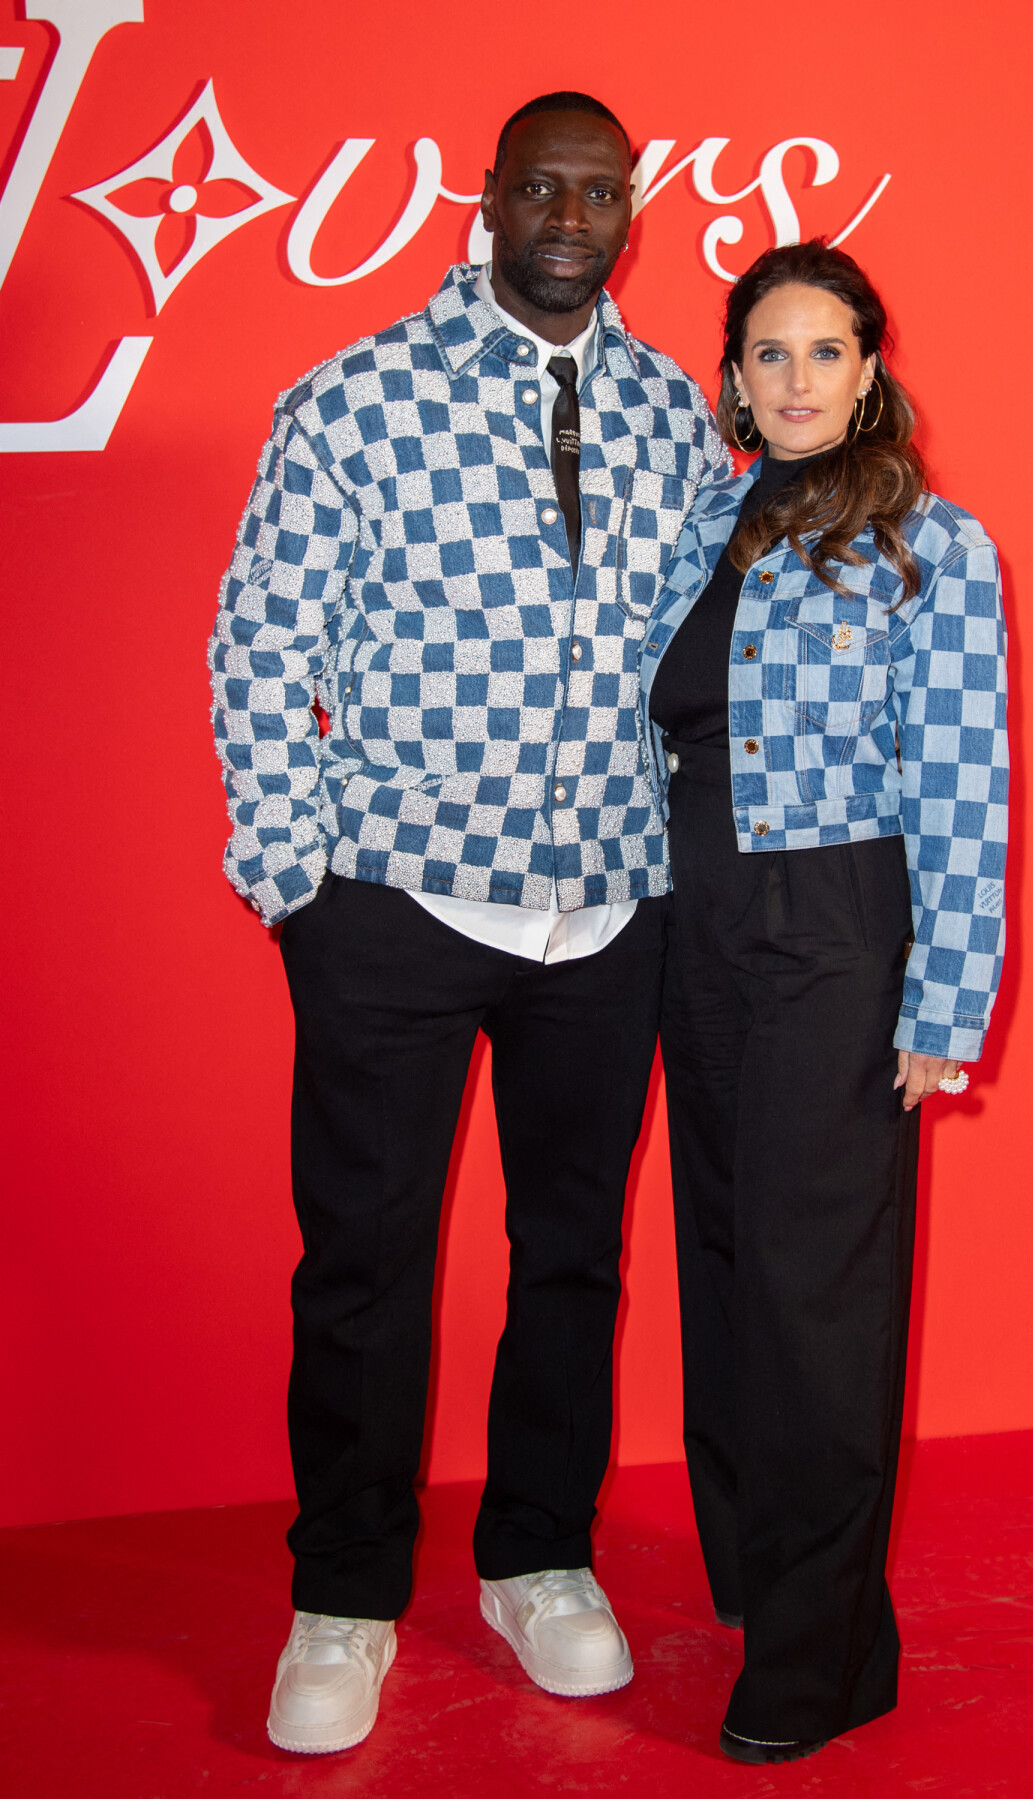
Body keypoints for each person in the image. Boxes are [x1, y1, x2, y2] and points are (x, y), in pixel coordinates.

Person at [209, 90, 727, 1755]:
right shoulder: (353, 401)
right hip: (399, 908)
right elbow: (260, 643)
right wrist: (298, 882)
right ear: (488, 197)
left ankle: (538, 1557)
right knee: (365, 1264)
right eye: (544, 186)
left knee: (571, 1253)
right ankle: (343, 1594)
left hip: (608, 915)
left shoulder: (666, 412)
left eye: (603, 191)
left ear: (630, 213)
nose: (572, 215)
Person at [639, 241, 1007, 1764]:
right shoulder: (700, 529)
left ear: (872, 372)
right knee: (722, 1257)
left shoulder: (935, 541)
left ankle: (826, 1655)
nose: (795, 379)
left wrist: (946, 999)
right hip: (694, 917)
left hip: (842, 924)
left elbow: (964, 779)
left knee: (815, 1295)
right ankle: (754, 1575)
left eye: (825, 351)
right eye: (768, 354)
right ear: (734, 378)